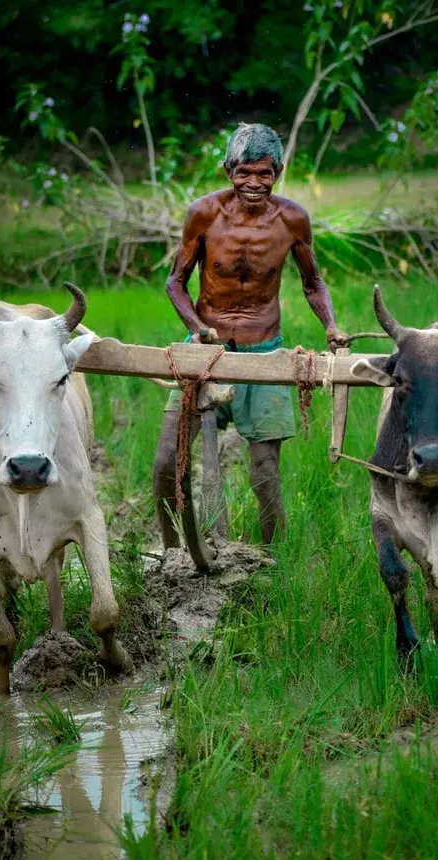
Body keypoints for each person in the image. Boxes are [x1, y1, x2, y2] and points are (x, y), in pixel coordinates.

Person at [153, 123, 345, 546]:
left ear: (278, 171)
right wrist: (198, 330)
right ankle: (171, 553)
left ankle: (270, 564)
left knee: (265, 475)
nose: (254, 183)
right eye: (244, 173)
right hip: (205, 352)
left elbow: (313, 284)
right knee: (167, 463)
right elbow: (175, 282)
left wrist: (330, 326)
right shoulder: (203, 214)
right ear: (228, 171)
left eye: (264, 173)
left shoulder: (293, 220)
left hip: (264, 355)